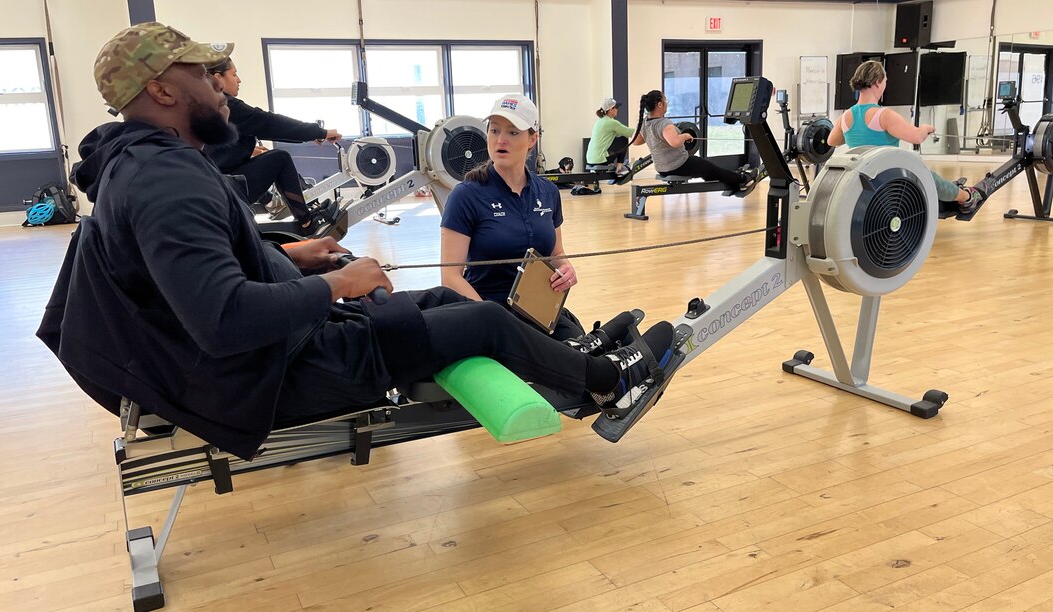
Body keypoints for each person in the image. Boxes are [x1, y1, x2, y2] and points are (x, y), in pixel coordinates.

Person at [37, 23, 676, 460]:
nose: (222, 88)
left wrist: (291, 256)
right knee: (481, 319)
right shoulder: (166, 179)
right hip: (281, 370)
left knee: (442, 303)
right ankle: (604, 381)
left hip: (286, 345)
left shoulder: (139, 163)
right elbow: (224, 319)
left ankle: (565, 352)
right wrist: (337, 284)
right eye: (204, 74)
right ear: (163, 90)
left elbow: (191, 272)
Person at [440, 94, 586, 341]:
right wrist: (494, 320)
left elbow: (556, 253)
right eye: (494, 130)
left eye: (513, 132)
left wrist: (566, 269)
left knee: (583, 351)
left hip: (537, 309)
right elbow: (450, 277)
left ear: (532, 139)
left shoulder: (548, 192)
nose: (501, 140)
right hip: (486, 312)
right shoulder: (466, 196)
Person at [204, 56, 342, 235]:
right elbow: (268, 123)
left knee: (268, 157)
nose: (239, 79)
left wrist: (248, 150)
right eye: (234, 74)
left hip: (215, 186)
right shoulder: (227, 105)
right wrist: (319, 132)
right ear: (218, 78)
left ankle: (287, 211)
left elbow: (215, 144)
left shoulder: (204, 104)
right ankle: (306, 223)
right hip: (226, 189)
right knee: (280, 158)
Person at [827, 60, 984, 213]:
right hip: (886, 175)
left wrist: (852, 133)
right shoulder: (884, 115)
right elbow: (916, 137)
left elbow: (831, 141)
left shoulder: (845, 116)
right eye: (885, 81)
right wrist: (925, 128)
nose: (885, 85)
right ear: (877, 82)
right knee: (928, 176)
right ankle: (968, 197)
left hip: (860, 177)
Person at [631, 90, 751, 190]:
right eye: (665, 100)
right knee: (714, 169)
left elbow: (636, 142)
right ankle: (743, 179)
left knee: (708, 169)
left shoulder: (645, 122)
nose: (667, 103)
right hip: (679, 165)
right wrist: (685, 135)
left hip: (662, 168)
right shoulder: (664, 123)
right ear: (659, 105)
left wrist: (652, 136)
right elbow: (675, 142)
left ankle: (729, 180)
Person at [586, 97, 635, 173]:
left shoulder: (600, 121)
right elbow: (631, 133)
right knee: (624, 139)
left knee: (619, 138)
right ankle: (619, 166)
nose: (617, 109)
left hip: (590, 159)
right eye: (616, 108)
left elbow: (618, 133)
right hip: (600, 160)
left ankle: (617, 164)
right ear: (611, 109)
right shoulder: (611, 122)